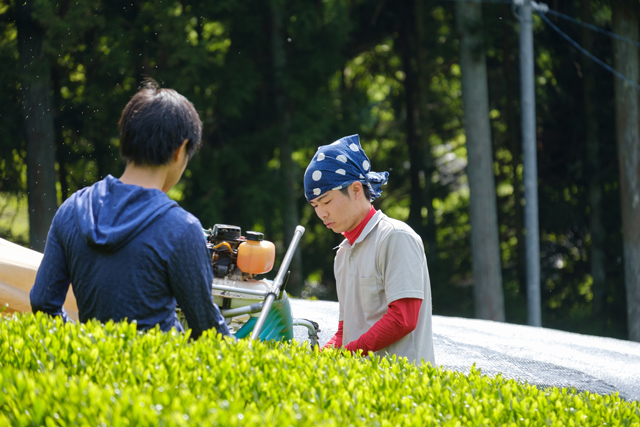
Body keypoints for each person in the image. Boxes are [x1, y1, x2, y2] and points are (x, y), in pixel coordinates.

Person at [30, 79, 230, 340]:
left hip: (90, 373)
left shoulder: (71, 210)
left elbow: (44, 305)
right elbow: (209, 334)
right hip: (158, 376)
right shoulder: (181, 229)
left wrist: (89, 346)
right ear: (180, 151)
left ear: (125, 138)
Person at [304, 134, 435, 365]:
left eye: (326, 202)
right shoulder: (342, 254)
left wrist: (346, 354)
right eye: (315, 206)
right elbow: (346, 331)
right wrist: (322, 358)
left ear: (356, 190)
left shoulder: (395, 236)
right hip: (363, 388)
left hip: (406, 389)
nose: (321, 213)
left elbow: (403, 318)